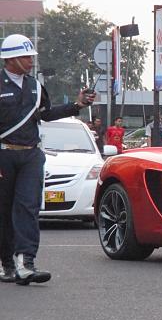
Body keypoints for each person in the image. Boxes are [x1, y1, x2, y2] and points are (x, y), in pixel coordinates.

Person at [0, 34, 95, 285]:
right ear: (10, 59)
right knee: (4, 212)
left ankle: (26, 263)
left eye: (31, 57)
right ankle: (7, 264)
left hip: (31, 154)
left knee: (28, 208)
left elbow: (47, 114)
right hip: (3, 154)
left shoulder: (35, 86)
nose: (31, 61)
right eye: (26, 57)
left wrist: (77, 105)